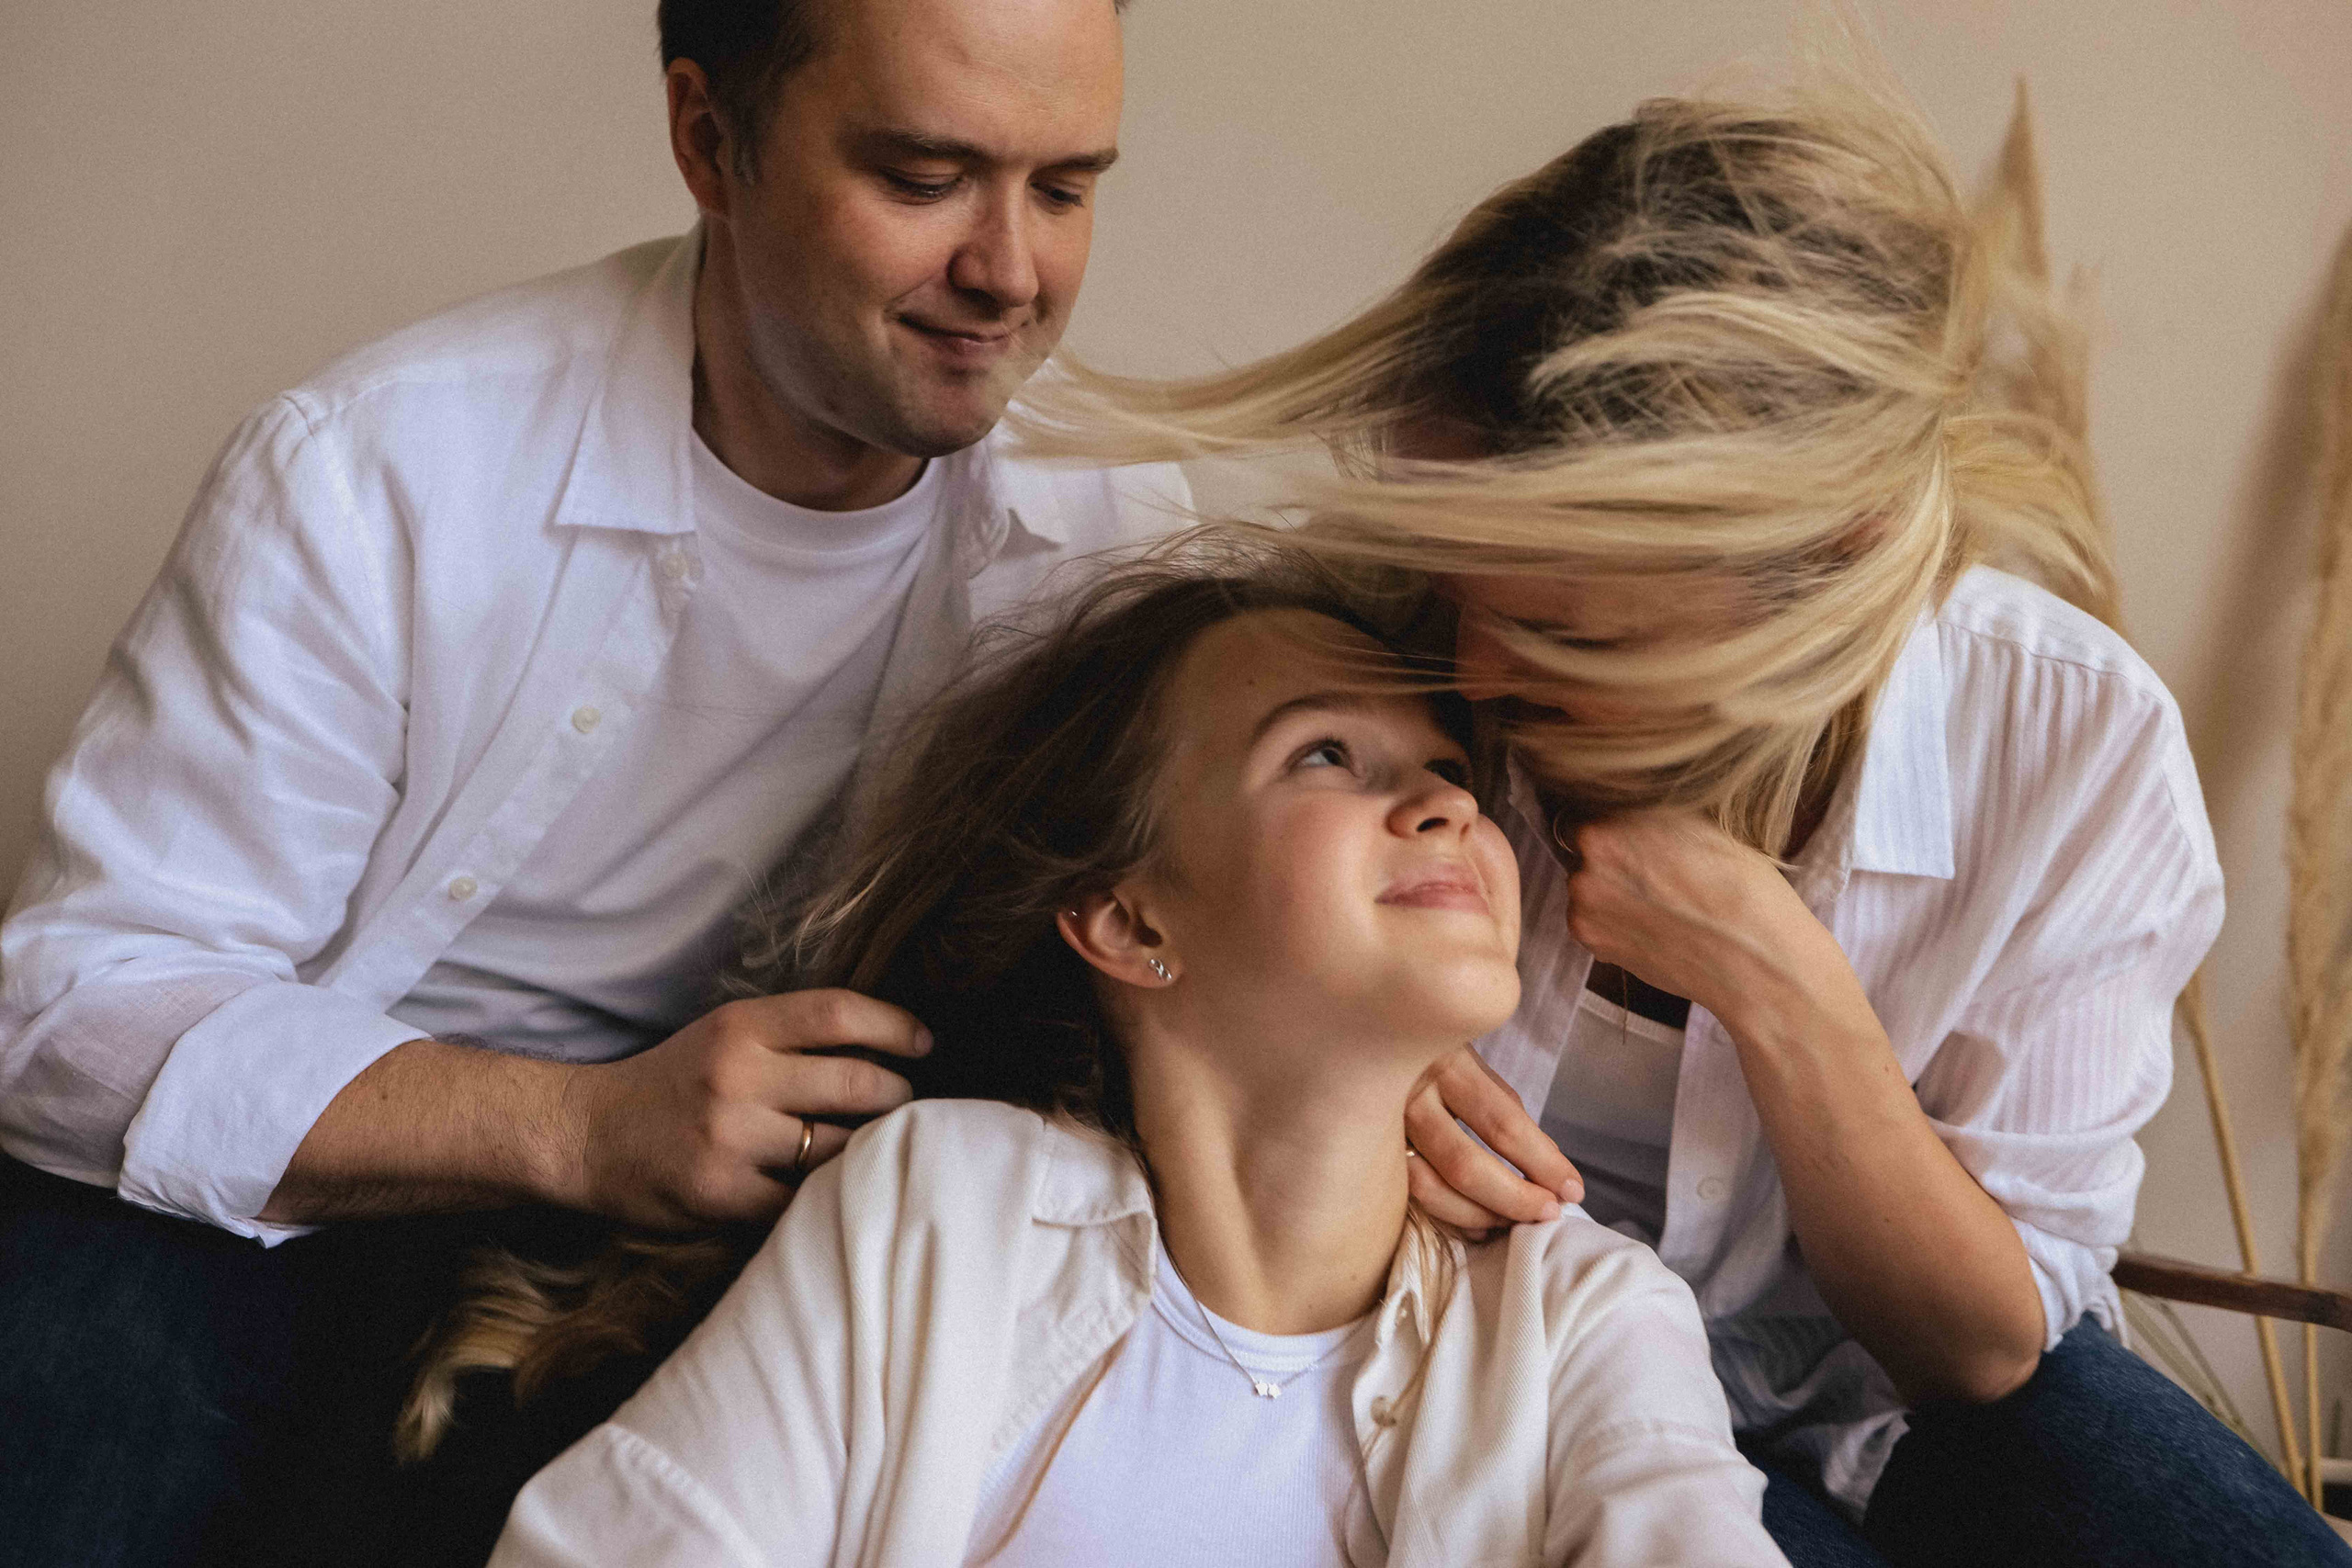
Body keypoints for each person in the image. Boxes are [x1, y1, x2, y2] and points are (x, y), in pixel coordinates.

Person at [0, 3, 1571, 1561]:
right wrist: (581, 1128)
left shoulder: (1100, 529)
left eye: (1065, 187)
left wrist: (1359, 1062)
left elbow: (1194, 913)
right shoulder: (377, 471)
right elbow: (65, 1008)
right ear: (709, 140)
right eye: (923, 176)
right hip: (320, 1187)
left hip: (772, 1233)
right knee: (76, 1371)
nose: (1009, 272)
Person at [1021, 62, 2352, 1568]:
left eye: (1573, 634)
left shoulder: (2072, 751)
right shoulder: (1377, 657)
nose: (1466, 675)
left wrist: (1781, 986)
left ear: (1836, 557)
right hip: (1506, 1383)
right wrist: (1329, 1073)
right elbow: (1131, 976)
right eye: (1468, 592)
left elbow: (1988, 1363)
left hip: (1920, 1416)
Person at [480, 557, 1788, 1568]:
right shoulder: (945, 1209)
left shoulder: (1586, 1321)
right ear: (1129, 919)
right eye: (1326, 754)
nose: (1447, 804)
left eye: (1452, 771)